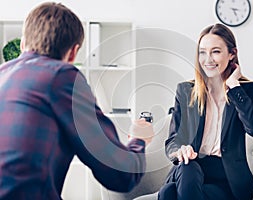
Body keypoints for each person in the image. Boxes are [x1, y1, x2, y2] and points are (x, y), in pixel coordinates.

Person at [0, 2, 154, 199]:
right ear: (73, 52)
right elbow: (121, 174)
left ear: (23, 44)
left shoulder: (3, 74)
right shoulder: (62, 77)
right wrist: (139, 139)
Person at [158, 23, 253, 200]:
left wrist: (233, 86)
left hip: (226, 178)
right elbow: (173, 140)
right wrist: (180, 151)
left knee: (167, 194)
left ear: (232, 54)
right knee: (188, 167)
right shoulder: (186, 91)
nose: (207, 59)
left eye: (215, 51)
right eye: (202, 52)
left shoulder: (248, 90)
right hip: (189, 170)